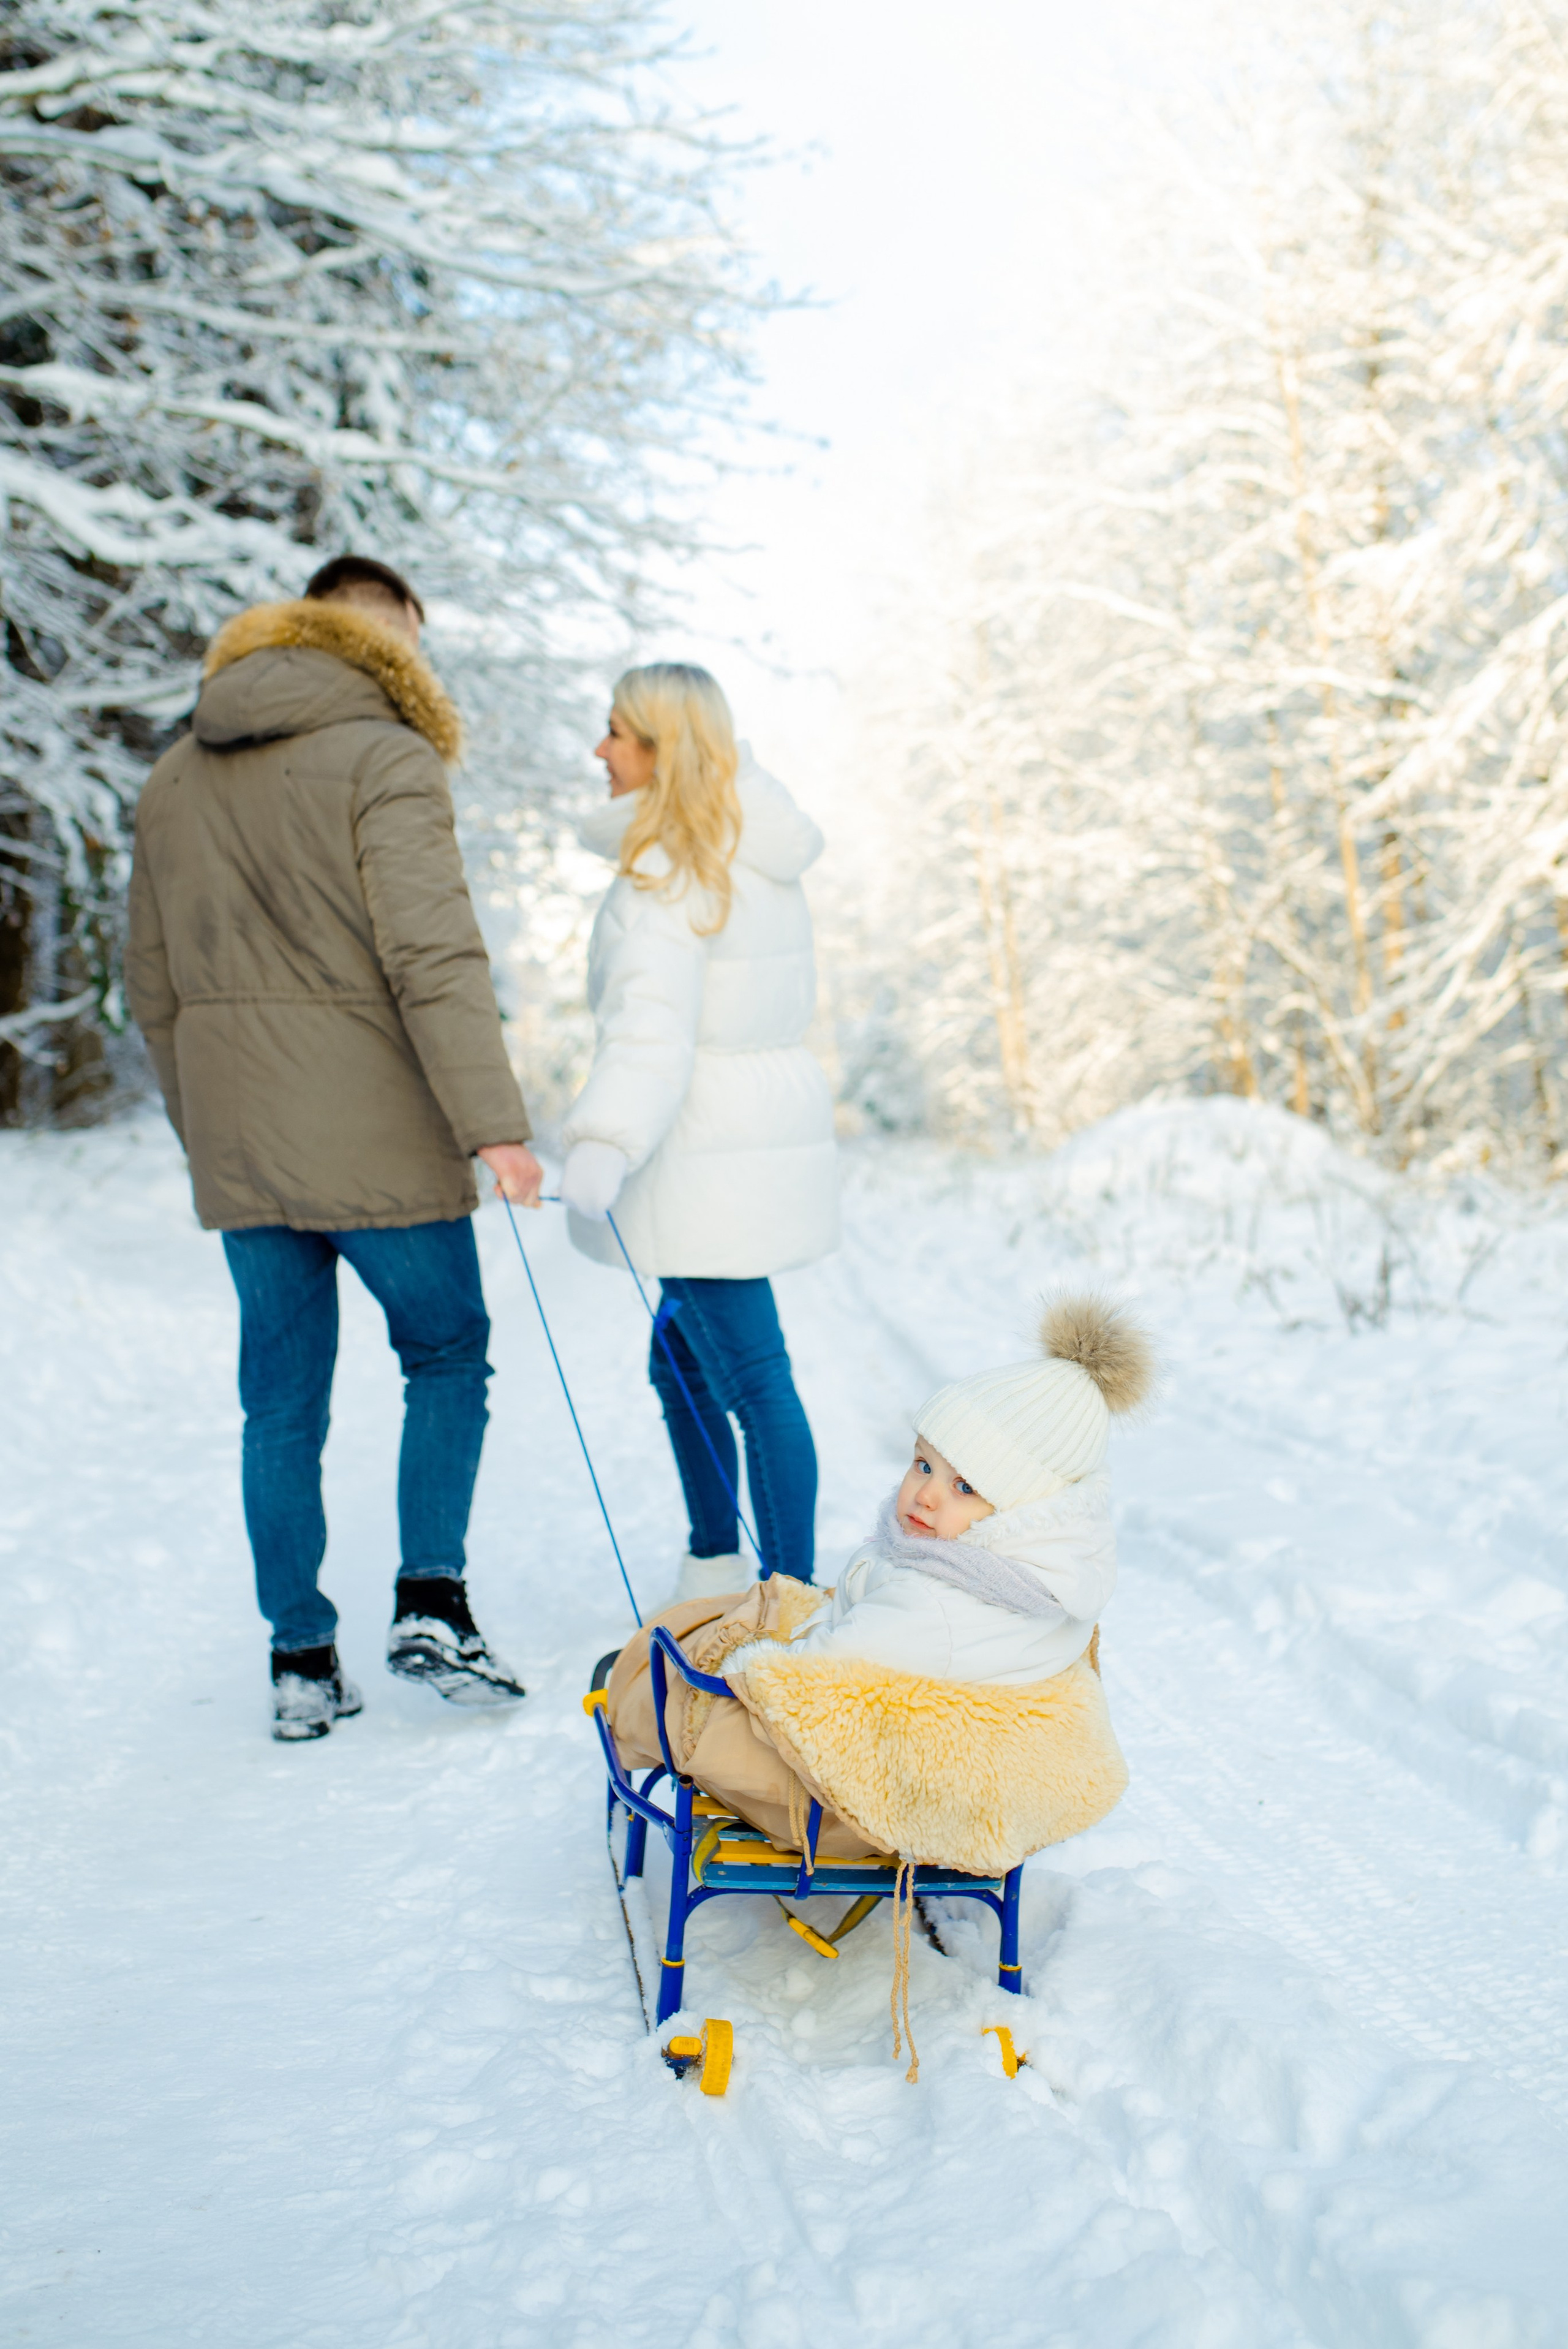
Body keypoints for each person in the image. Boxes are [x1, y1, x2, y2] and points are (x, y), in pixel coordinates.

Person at [126, 553, 543, 1741]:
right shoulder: (388, 756)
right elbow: (433, 955)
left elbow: (150, 984)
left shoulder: (174, 775)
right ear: (383, 638)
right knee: (447, 1352)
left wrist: (205, 1129)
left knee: (278, 1405)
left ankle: (300, 1658)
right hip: (379, 1143)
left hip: (244, 1149)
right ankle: (432, 1605)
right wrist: (495, 1126)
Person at [601, 1296, 1147, 1876]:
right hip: (934, 1769)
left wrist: (749, 1664)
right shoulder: (1037, 1580)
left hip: (846, 1800)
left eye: (965, 1488)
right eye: (924, 1465)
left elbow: (811, 1672)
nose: (926, 1494)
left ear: (1021, 1511)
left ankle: (627, 1699)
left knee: (690, 1680)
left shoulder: (933, 1605)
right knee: (753, 1612)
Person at [558, 662, 839, 1598]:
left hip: (701, 1150)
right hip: (741, 1137)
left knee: (753, 1377)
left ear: (660, 747)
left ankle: (787, 1601)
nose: (599, 750)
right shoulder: (743, 847)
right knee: (680, 1354)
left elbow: (652, 1028)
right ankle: (716, 1563)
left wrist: (605, 1138)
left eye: (616, 731)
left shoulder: (673, 868)